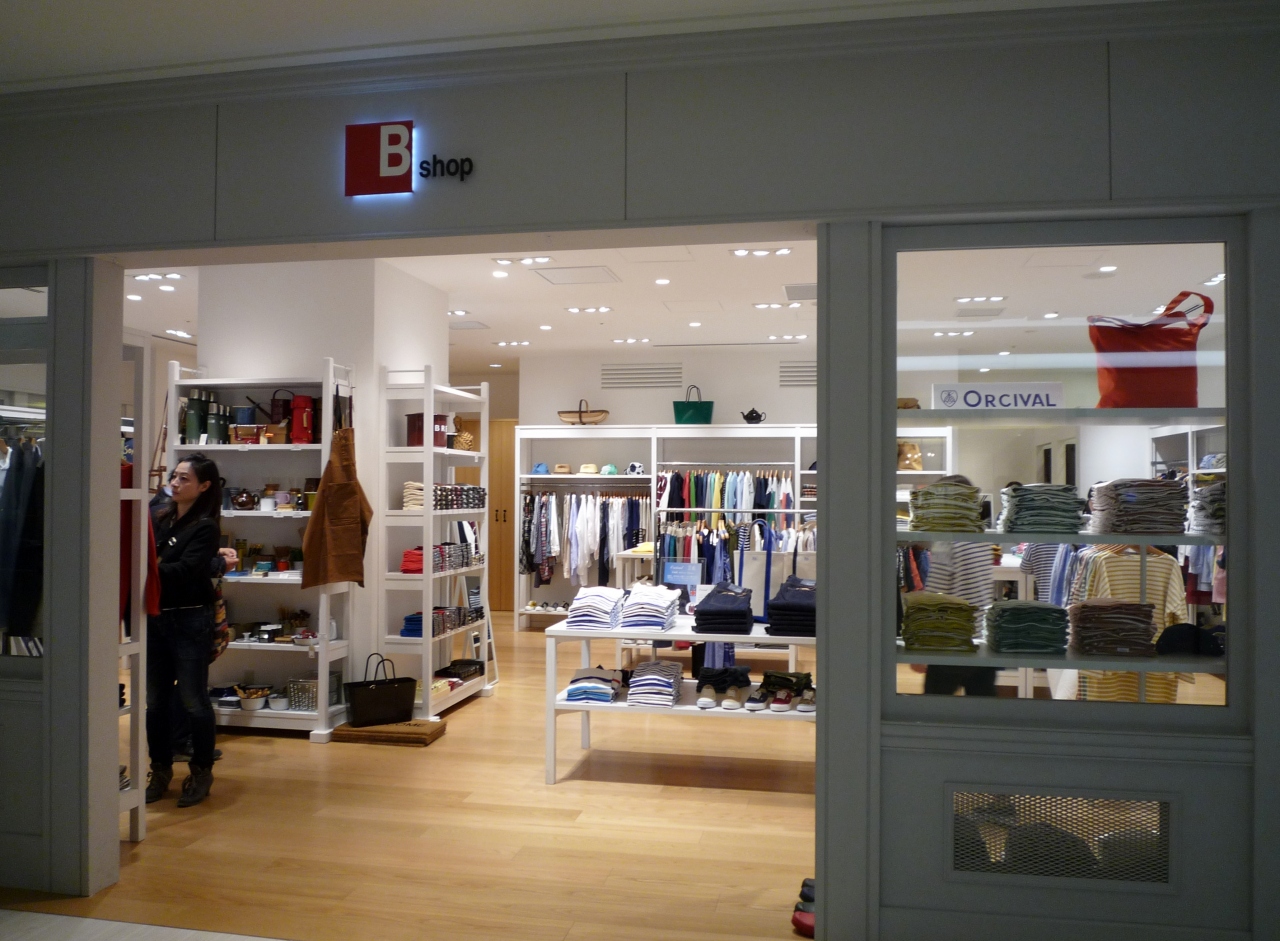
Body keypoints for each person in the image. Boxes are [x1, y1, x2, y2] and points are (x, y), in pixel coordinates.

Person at [145, 454, 227, 808]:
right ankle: (160, 770)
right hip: (155, 616)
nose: (175, 484)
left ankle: (201, 771)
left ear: (204, 486)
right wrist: (154, 566)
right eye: (174, 477)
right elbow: (168, 565)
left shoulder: (205, 526)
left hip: (191, 618)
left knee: (194, 700)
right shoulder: (160, 516)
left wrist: (148, 568)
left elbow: (187, 570)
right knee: (154, 702)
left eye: (184, 479)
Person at [924, 474, 998, 697]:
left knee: (934, 707)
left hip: (951, 642)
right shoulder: (980, 538)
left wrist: (924, 642)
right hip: (982, 638)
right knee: (981, 706)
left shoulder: (946, 542)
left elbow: (935, 598)